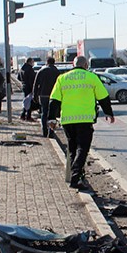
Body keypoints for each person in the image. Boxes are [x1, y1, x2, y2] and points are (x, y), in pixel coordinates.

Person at [48, 56, 114, 190]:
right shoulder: (91, 77)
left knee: (72, 149)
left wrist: (51, 119)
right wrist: (109, 113)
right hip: (84, 120)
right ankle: (76, 176)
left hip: (67, 120)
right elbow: (103, 97)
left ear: (73, 64)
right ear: (86, 65)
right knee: (82, 149)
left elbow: (54, 100)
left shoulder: (62, 78)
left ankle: (77, 176)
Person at [32, 57, 60, 137]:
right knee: (52, 114)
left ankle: (44, 131)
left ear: (47, 62)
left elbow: (35, 84)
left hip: (43, 95)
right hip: (54, 95)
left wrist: (35, 95)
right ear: (54, 63)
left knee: (44, 113)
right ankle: (51, 132)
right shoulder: (57, 72)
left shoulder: (41, 71)